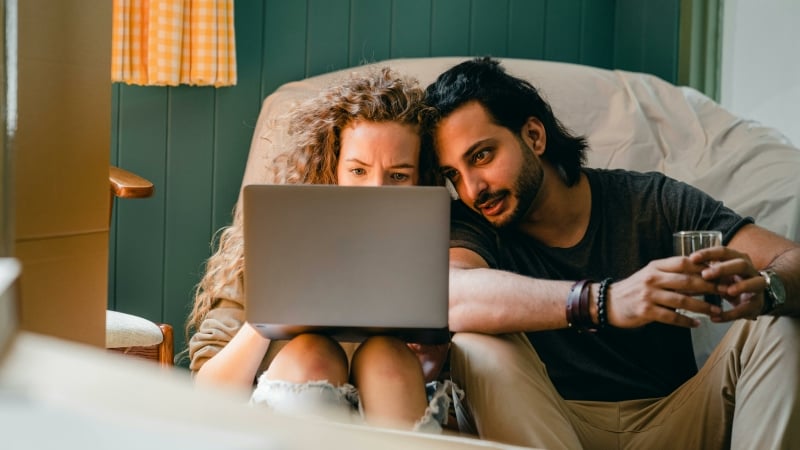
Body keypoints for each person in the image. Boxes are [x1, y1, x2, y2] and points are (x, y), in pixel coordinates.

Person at [423, 57, 800, 449]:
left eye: (481, 156)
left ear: (534, 136)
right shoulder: (471, 223)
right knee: (475, 342)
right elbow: (452, 294)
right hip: (550, 424)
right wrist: (603, 300)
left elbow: (792, 259)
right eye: (453, 175)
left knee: (782, 317)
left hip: (675, 420)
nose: (471, 189)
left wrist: (767, 290)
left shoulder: (651, 202)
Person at [186, 67, 455, 433]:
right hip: (284, 421)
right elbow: (209, 391)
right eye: (358, 171)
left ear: (420, 178)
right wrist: (268, 317)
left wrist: (431, 358)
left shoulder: (446, 247)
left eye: (397, 176)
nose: (376, 193)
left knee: (386, 355)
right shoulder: (271, 236)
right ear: (332, 168)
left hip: (392, 408)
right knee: (312, 351)